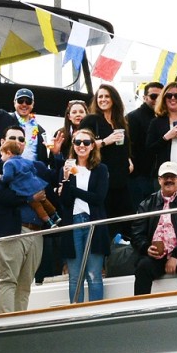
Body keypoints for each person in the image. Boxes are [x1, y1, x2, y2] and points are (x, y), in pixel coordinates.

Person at [0, 126, 50, 313]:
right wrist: (30, 198)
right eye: (13, 138)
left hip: (36, 232)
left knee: (26, 285)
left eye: (21, 139)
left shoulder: (33, 166)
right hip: (12, 231)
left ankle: (20, 323)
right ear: (3, 142)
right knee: (8, 281)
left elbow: (51, 179)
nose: (17, 142)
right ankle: (7, 324)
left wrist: (57, 155)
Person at [129, 162, 177, 295]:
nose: (169, 180)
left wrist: (176, 255)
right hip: (154, 257)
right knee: (142, 267)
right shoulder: (146, 204)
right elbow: (136, 233)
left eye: (173, 177)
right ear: (159, 180)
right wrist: (146, 248)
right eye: (165, 177)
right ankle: (141, 306)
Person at [54, 128, 110, 302]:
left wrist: (72, 189)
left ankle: (96, 314)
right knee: (75, 277)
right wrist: (65, 178)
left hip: (94, 223)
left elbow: (98, 198)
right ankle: (75, 313)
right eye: (78, 142)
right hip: (73, 224)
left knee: (94, 274)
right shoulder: (67, 169)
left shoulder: (100, 169)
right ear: (73, 145)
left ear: (93, 145)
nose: (82, 146)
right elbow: (64, 202)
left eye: (86, 142)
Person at [80, 82, 132, 220]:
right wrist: (105, 141)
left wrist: (129, 160)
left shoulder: (120, 121)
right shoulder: (91, 120)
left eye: (107, 96)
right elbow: (81, 145)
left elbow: (125, 146)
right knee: (105, 217)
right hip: (101, 175)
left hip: (120, 176)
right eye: (100, 96)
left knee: (125, 217)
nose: (103, 99)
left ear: (114, 99)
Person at [0, 72, 46, 161]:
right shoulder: (2, 118)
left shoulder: (40, 130)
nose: (24, 104)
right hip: (4, 168)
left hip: (31, 169)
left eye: (28, 102)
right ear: (14, 103)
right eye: (20, 101)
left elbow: (43, 159)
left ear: (32, 104)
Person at [0, 137, 59, 226]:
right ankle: (55, 215)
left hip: (25, 189)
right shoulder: (26, 161)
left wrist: (1, 178)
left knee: (36, 205)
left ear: (8, 153)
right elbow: (34, 171)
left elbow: (8, 177)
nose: (1, 158)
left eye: (2, 155)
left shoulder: (8, 163)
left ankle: (49, 221)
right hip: (36, 184)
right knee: (44, 200)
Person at [125, 80, 165, 208]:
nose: (157, 100)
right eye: (153, 96)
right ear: (144, 98)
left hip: (159, 174)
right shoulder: (133, 117)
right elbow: (129, 146)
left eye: (161, 96)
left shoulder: (163, 117)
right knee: (141, 212)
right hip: (140, 175)